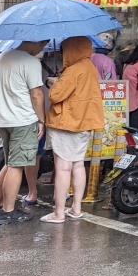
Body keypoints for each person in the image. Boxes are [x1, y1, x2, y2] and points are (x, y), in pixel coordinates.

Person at [41, 36, 104, 224]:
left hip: (66, 123)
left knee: (62, 167)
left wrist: (54, 83)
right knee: (78, 165)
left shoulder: (73, 70)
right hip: (85, 123)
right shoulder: (90, 67)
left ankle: (58, 213)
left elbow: (56, 96)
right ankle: (76, 208)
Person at [0, 40, 47, 225]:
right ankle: (9, 211)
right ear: (34, 42)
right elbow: (37, 94)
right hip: (23, 120)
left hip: (3, 119)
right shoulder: (31, 62)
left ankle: (1, 203)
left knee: (10, 162)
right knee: (17, 165)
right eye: (42, 45)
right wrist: (41, 120)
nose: (41, 49)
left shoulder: (2, 56)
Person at [121, 43, 138, 128]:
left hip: (128, 94)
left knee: (129, 117)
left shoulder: (128, 64)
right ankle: (134, 136)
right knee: (137, 117)